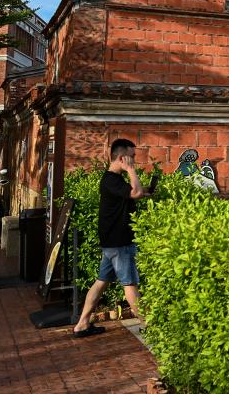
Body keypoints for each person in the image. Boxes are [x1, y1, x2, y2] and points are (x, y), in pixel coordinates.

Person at [72, 138, 148, 338]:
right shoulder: (111, 180)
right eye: (132, 157)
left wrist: (143, 189)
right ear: (122, 158)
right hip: (119, 242)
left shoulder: (114, 180)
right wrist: (131, 171)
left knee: (101, 282)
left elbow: (133, 193)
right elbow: (136, 193)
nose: (134, 160)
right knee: (130, 284)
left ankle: (82, 324)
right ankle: (148, 325)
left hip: (112, 242)